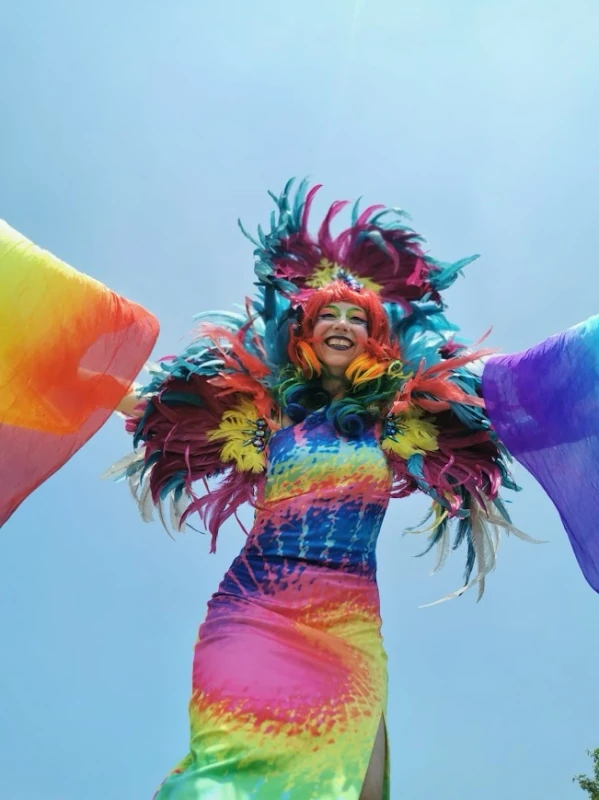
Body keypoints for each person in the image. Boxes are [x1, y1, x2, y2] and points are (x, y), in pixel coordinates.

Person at [2, 180, 599, 799]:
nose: (341, 323)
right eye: (327, 315)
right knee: (233, 773)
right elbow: (135, 391)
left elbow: (518, 393)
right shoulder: (263, 421)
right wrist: (41, 342)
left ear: (373, 339)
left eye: (355, 318)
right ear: (305, 335)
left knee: (362, 789)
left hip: (351, 627)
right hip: (255, 613)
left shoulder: (398, 424)